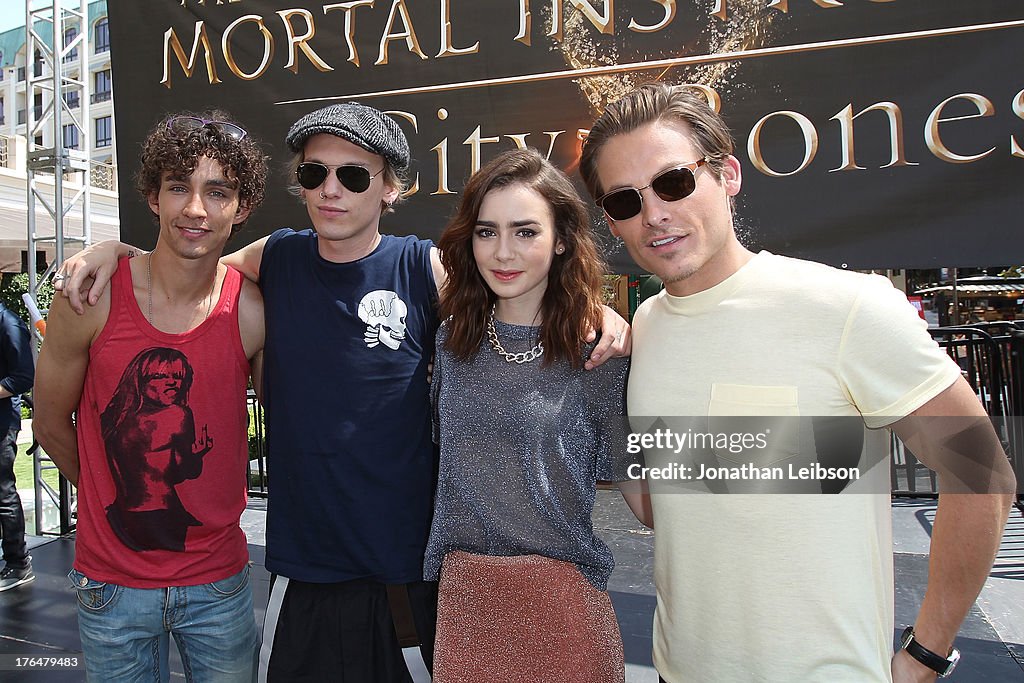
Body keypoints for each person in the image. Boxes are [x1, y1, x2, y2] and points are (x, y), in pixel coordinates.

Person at [53, 101, 630, 683]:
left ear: (389, 189)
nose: (331, 189)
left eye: (352, 175)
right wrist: (116, 252)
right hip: (303, 571)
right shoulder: (277, 256)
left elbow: (514, 286)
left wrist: (595, 311)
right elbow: (188, 263)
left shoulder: (419, 268)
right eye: (314, 173)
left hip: (404, 572)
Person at [578, 83, 1016, 682]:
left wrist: (927, 652)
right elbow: (669, 509)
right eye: (626, 200)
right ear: (611, 221)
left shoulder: (846, 308)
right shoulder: (647, 328)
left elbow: (983, 475)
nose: (654, 213)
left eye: (674, 182)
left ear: (727, 174)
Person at [33, 111, 267, 681]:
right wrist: (107, 486)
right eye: (179, 187)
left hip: (219, 583)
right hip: (112, 586)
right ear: (153, 197)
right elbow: (48, 423)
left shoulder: (254, 311)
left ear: (239, 209)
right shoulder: (92, 296)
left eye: (218, 192)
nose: (196, 208)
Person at [426, 149, 630, 682]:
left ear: (561, 239)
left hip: (563, 607)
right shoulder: (450, 345)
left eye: (525, 231)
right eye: (487, 231)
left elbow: (646, 496)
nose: (503, 252)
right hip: (465, 605)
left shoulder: (598, 354)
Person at [0, 303, 35, 592]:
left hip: (2, 424)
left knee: (3, 492)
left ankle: (18, 561)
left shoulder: (8, 322)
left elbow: (23, 377)